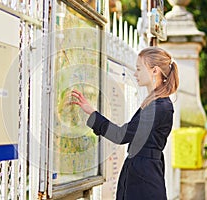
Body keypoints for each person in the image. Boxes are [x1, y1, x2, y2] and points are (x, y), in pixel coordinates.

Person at [71, 46, 179, 200]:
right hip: (142, 173)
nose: (135, 74)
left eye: (139, 69)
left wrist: (92, 113)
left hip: (144, 179)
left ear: (155, 71)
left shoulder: (159, 107)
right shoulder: (155, 103)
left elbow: (121, 135)